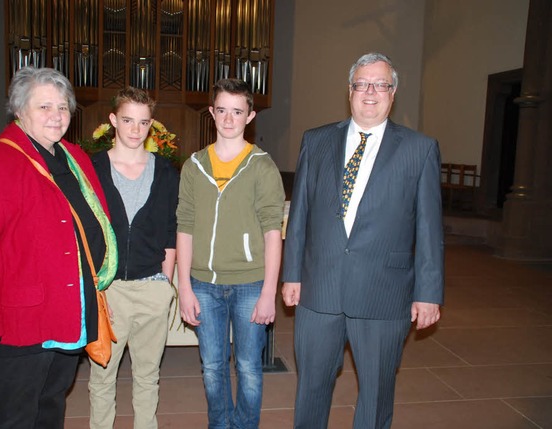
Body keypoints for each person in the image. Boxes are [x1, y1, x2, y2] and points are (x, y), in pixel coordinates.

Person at [0, 66, 117, 429]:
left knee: (49, 410)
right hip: (16, 328)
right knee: (11, 418)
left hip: (66, 316)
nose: (56, 116)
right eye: (44, 107)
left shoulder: (73, 157)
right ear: (19, 110)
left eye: (63, 107)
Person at [281, 52, 445, 429]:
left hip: (384, 292)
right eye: (362, 83)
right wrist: (292, 275)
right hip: (319, 289)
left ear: (393, 92)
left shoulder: (419, 149)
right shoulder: (317, 140)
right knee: (312, 387)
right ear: (350, 90)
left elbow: (430, 229)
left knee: (375, 393)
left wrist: (429, 292)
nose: (370, 91)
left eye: (380, 84)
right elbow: (300, 212)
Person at [176, 78, 285, 429]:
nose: (228, 119)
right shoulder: (194, 166)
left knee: (250, 368)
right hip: (204, 285)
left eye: (237, 112)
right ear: (211, 112)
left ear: (250, 116)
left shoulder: (262, 166)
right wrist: (184, 287)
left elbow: (273, 232)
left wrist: (269, 292)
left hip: (250, 284)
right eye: (221, 110)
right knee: (212, 367)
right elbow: (185, 227)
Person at [88, 87, 179, 429]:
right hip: (107, 290)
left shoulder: (166, 172)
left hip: (151, 288)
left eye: (143, 122)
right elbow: (84, 231)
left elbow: (171, 231)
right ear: (113, 120)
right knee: (102, 378)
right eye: (128, 120)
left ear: (151, 125)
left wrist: (164, 286)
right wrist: (95, 287)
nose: (135, 129)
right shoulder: (93, 168)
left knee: (147, 377)